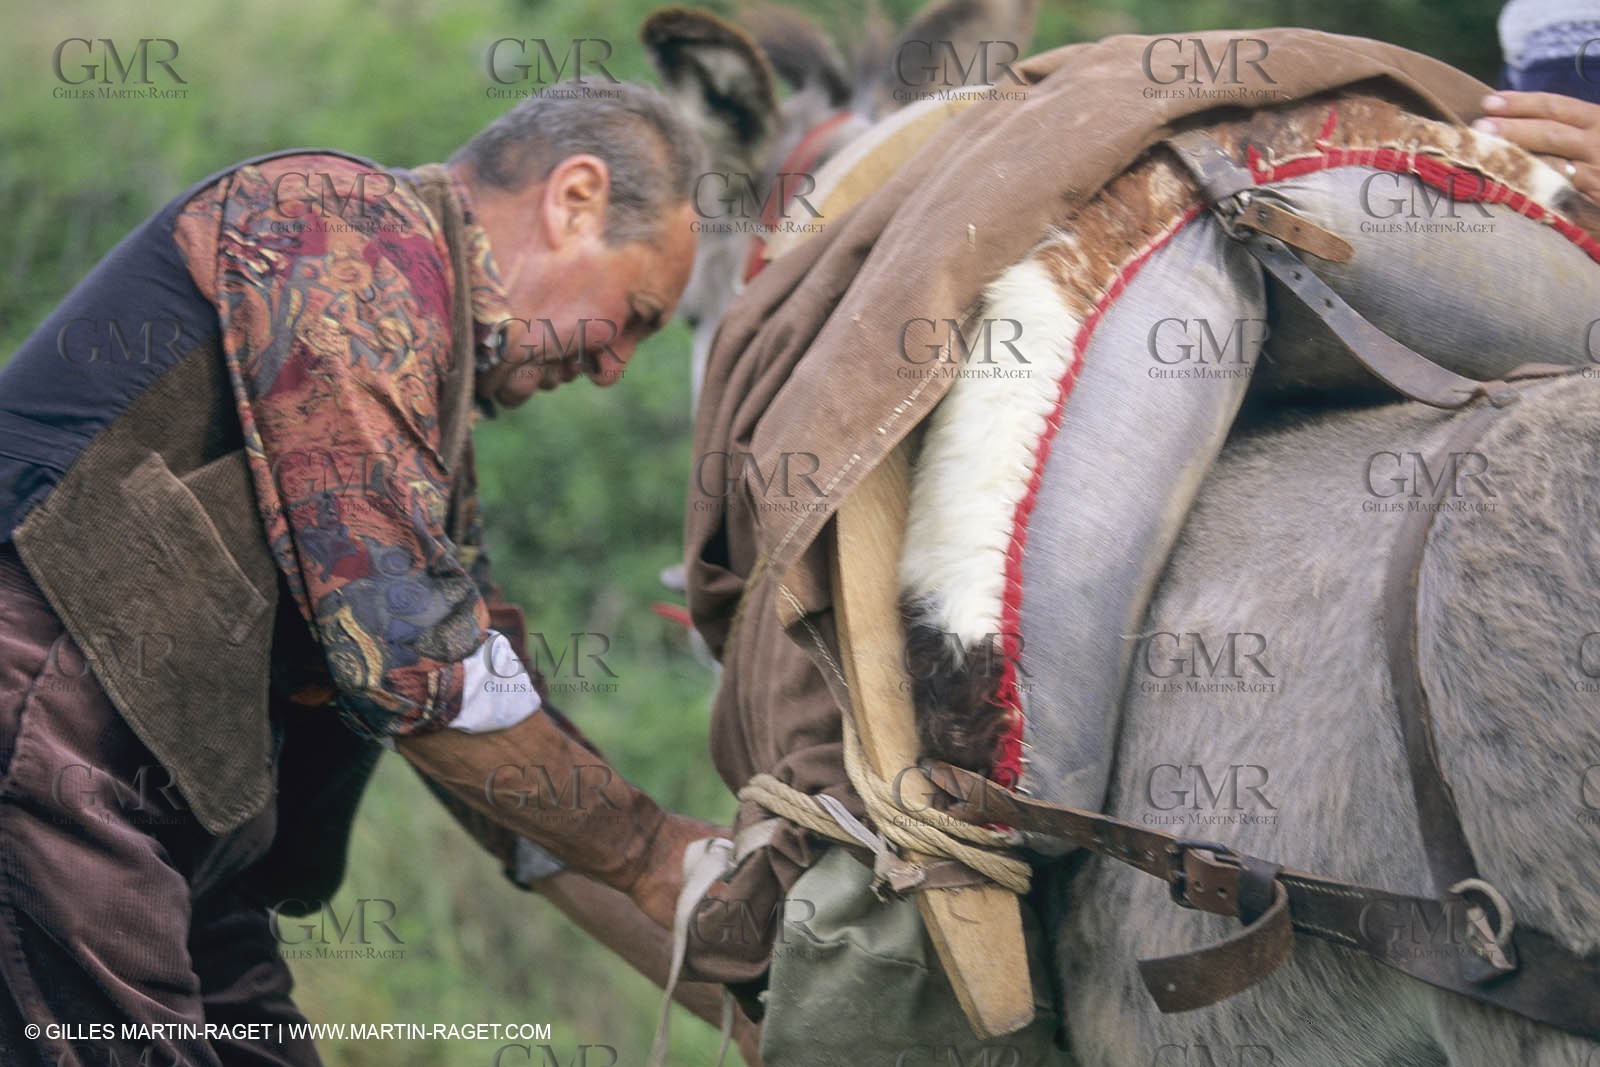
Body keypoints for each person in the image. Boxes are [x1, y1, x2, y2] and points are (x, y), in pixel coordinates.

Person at [0, 85, 712, 1067]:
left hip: (177, 832)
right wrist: (650, 850)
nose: (614, 367)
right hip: (48, 760)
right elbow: (411, 654)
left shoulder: (419, 419)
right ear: (575, 199)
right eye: (633, 314)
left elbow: (479, 697)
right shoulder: (343, 224)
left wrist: (722, 953)